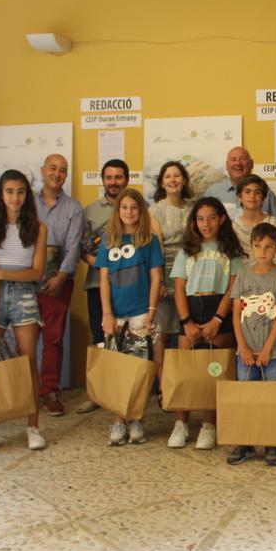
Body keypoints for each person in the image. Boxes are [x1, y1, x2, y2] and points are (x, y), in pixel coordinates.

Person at [0, 170, 50, 457]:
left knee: (28, 362)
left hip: (24, 295)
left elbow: (36, 272)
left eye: (20, 191)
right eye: (9, 191)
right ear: (0, 195)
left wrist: (0, 273)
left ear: (26, 195)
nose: (15, 197)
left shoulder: (38, 228)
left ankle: (33, 428)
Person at [171, 197, 244, 449]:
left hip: (218, 310)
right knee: (185, 370)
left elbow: (233, 288)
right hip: (190, 309)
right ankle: (181, 423)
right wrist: (186, 321)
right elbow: (179, 287)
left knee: (214, 369)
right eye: (201, 219)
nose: (206, 223)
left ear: (222, 218)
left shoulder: (230, 250)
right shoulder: (186, 250)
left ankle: (209, 424)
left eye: (212, 217)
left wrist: (217, 319)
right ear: (194, 222)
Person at [97, 188, 163, 446]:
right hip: (115, 315)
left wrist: (151, 311)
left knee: (138, 369)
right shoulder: (108, 239)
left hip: (140, 314)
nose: (129, 212)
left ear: (141, 210)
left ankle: (136, 417)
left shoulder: (149, 240)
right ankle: (118, 421)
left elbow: (156, 277)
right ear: (117, 210)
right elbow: (103, 280)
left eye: (134, 207)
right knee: (117, 370)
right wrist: (107, 313)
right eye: (124, 207)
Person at [227, 223, 276, 467]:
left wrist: (267, 349)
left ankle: (272, 442)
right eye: (258, 246)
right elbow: (236, 314)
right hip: (245, 350)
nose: (263, 251)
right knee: (247, 397)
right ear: (251, 247)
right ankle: (244, 442)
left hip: (272, 352)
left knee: (271, 398)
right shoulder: (244, 276)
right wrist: (242, 347)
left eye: (268, 247)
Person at [75, 158, 127, 413]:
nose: (114, 181)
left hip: (129, 285)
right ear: (103, 180)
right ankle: (96, 394)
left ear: (127, 180)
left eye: (119, 177)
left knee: (129, 338)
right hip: (97, 283)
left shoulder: (138, 208)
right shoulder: (91, 210)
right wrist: (100, 262)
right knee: (99, 338)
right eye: (109, 177)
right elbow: (81, 249)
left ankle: (126, 389)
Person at [33, 153, 84, 416]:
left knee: (53, 339)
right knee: (24, 340)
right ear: (42, 170)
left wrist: (61, 277)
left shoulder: (74, 208)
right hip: (26, 282)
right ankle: (25, 391)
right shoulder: (26, 203)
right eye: (52, 168)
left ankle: (50, 391)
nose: (57, 173)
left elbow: (74, 246)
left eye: (62, 170)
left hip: (59, 283)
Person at [148, 160, 194, 409]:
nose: (173, 180)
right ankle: (164, 389)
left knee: (187, 333)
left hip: (190, 272)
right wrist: (161, 281)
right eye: (168, 176)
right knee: (163, 335)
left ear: (184, 180)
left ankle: (187, 386)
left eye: (177, 176)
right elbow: (157, 245)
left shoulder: (193, 209)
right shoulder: (154, 210)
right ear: (162, 182)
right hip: (165, 271)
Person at [207, 146, 276, 219]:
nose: (237, 163)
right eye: (233, 159)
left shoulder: (266, 193)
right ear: (227, 165)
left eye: (242, 159)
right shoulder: (213, 192)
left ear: (251, 164)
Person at [231, 175, 276, 266]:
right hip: (242, 278)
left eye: (257, 192)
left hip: (271, 277)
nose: (252, 196)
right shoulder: (233, 227)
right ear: (239, 197)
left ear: (263, 198)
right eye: (247, 192)